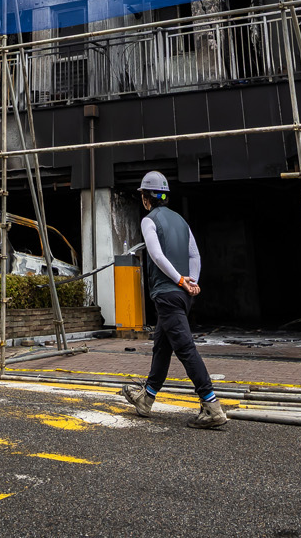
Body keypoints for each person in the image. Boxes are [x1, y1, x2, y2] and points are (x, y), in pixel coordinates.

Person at [119, 171, 229, 430]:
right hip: (181, 296)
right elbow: (195, 255)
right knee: (162, 346)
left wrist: (180, 280)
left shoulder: (149, 220)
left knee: (185, 348)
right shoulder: (181, 220)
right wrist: (191, 282)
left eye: (142, 196)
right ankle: (146, 398)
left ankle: (211, 405)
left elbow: (156, 256)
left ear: (146, 198)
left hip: (167, 294)